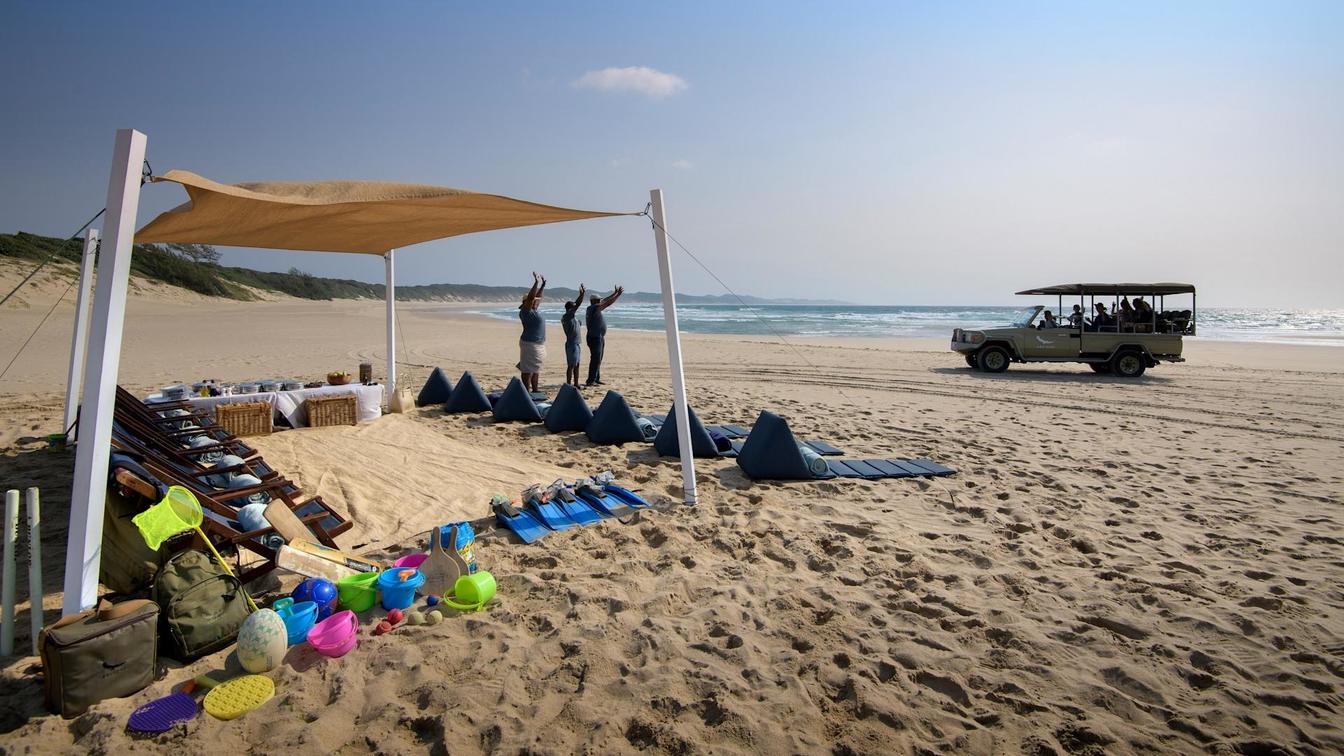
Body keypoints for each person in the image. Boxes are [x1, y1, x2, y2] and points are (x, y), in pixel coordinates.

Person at [584, 285, 624, 386]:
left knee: (598, 359)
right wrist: (618, 295)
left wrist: (614, 293)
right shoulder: (593, 308)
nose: (600, 301)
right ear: (594, 301)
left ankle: (596, 378)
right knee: (595, 359)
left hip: (598, 337)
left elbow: (604, 300)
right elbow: (607, 303)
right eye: (598, 300)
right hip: (595, 337)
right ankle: (590, 380)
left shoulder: (593, 307)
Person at [517, 272, 546, 392]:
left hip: (538, 344)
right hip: (530, 343)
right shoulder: (525, 311)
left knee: (536, 368)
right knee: (528, 369)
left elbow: (537, 297)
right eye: (534, 301)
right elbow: (531, 298)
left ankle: (535, 390)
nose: (536, 302)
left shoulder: (534, 310)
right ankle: (526, 391)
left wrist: (542, 286)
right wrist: (536, 283)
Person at [561, 284, 586, 387]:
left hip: (576, 344)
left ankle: (576, 383)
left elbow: (578, 324)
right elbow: (577, 304)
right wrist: (582, 294)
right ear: (570, 309)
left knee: (577, 365)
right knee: (571, 365)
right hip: (572, 344)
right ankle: (568, 384)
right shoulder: (567, 316)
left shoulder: (573, 318)